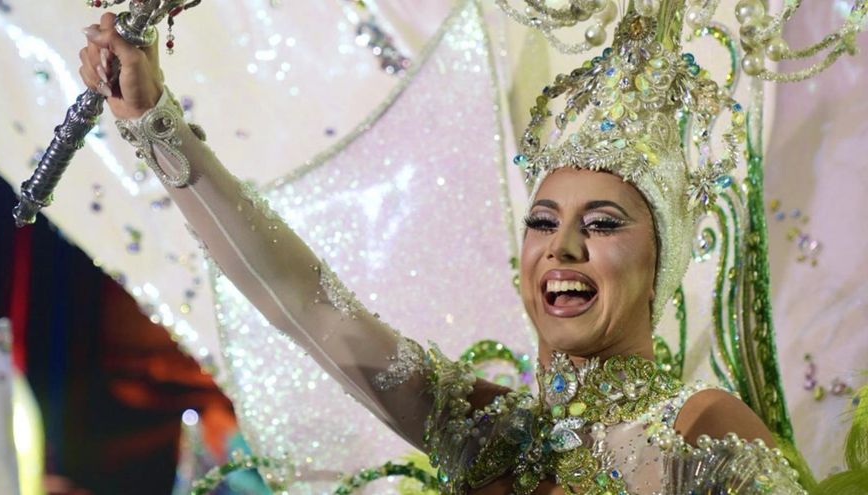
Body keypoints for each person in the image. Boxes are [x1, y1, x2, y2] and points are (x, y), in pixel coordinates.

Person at [77, 4, 809, 494]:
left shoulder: (701, 433)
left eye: (604, 223)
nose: (563, 248)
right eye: (543, 221)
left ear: (662, 264)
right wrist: (152, 122)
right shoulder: (482, 428)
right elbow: (308, 305)